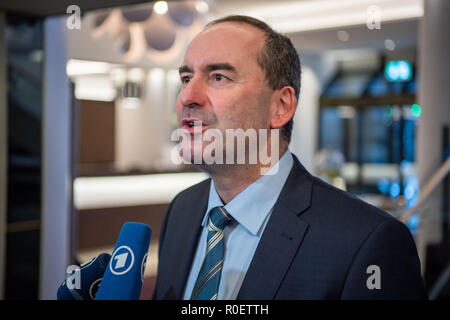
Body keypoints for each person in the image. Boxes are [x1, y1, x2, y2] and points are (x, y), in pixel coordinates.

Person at [153, 15, 427, 300]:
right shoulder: (182, 210)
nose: (187, 96)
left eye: (219, 77)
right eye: (186, 78)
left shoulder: (369, 241)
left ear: (280, 106)